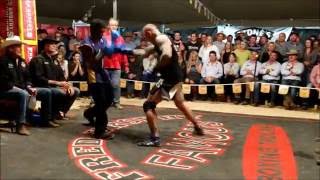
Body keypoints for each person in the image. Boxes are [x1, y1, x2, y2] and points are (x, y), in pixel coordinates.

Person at [133, 24, 204, 147]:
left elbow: (167, 55)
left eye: (146, 37)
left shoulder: (162, 39)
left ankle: (155, 138)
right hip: (174, 77)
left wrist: (155, 67)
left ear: (149, 33)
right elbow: (144, 51)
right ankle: (198, 126)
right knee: (180, 103)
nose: (146, 40)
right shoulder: (157, 42)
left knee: (148, 105)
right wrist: (120, 50)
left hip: (169, 80)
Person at [80, 19, 116, 139]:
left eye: (103, 31)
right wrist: (102, 52)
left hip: (103, 73)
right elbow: (91, 63)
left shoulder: (102, 40)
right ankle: (100, 131)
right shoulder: (86, 44)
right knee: (101, 102)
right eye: (100, 31)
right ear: (93, 30)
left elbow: (108, 54)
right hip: (93, 75)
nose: (102, 33)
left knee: (110, 98)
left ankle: (89, 113)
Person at [29, 37, 80, 122]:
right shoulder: (38, 59)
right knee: (58, 92)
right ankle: (49, 116)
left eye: (55, 44)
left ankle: (60, 112)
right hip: (42, 86)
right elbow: (39, 79)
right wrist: (58, 84)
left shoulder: (54, 60)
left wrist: (67, 85)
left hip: (54, 86)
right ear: (45, 46)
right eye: (51, 44)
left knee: (76, 90)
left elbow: (62, 77)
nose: (54, 46)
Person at [102, 18, 129, 109]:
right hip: (105, 64)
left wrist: (126, 65)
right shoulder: (104, 36)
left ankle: (116, 102)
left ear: (117, 27)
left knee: (115, 84)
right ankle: (104, 101)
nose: (113, 26)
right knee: (104, 84)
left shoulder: (120, 38)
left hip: (116, 65)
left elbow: (123, 52)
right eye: (112, 25)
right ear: (108, 26)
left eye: (115, 25)